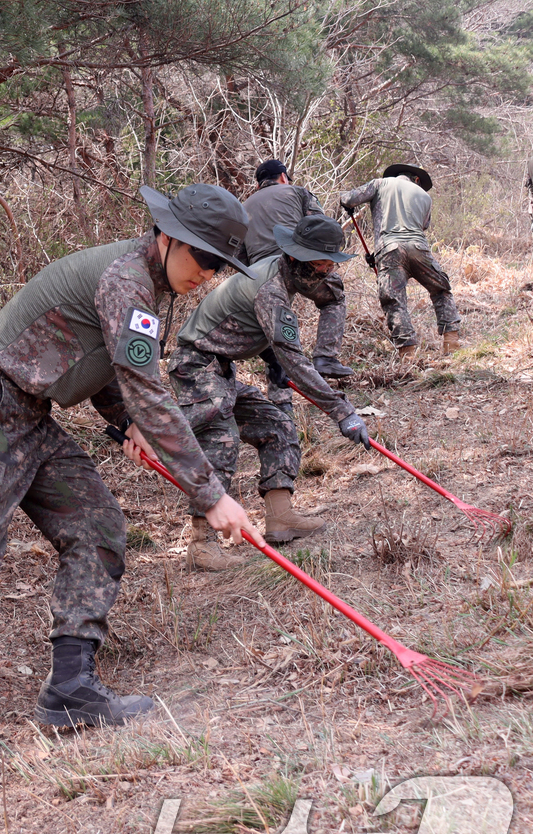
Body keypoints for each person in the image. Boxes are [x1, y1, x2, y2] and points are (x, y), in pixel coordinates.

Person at [0, 185, 262, 795]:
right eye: (203, 258)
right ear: (168, 236)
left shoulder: (145, 284)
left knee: (97, 530)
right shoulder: (127, 281)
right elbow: (148, 387)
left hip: (32, 417)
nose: (207, 274)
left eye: (219, 265)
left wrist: (122, 422)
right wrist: (212, 495)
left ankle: (70, 689)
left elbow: (99, 360)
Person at [169, 216, 371, 571]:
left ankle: (281, 517)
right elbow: (294, 361)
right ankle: (202, 542)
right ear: (296, 258)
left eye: (330, 263)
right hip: (195, 365)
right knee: (222, 436)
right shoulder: (271, 289)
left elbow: (255, 322)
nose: (326, 271)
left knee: (276, 423)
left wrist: (268, 353)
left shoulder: (286, 274)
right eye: (320, 264)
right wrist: (343, 412)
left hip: (223, 366)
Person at [243, 159, 353, 378]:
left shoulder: (243, 207)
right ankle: (325, 357)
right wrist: (324, 265)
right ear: (283, 177)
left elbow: (238, 252)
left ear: (258, 185)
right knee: (334, 298)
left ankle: (282, 403)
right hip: (294, 261)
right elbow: (320, 229)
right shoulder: (298, 193)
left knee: (273, 329)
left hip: (258, 274)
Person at [340, 164, 460, 358]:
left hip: (390, 249)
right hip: (420, 248)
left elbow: (349, 199)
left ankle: (408, 353)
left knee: (394, 300)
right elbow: (424, 225)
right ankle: (451, 341)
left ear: (396, 176)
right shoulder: (425, 197)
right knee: (441, 290)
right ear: (416, 179)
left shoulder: (380, 183)